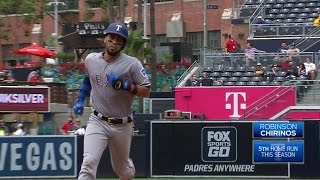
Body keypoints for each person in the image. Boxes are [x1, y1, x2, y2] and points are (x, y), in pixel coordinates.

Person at [73, 22, 150, 180]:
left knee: (122, 171)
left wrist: (127, 85)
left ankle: (127, 169)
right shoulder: (91, 60)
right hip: (97, 120)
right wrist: (80, 99)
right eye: (112, 37)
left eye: (119, 40)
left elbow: (146, 91)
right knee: (88, 163)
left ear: (123, 45)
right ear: (105, 38)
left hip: (122, 124)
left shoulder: (132, 64)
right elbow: (89, 80)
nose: (114, 41)